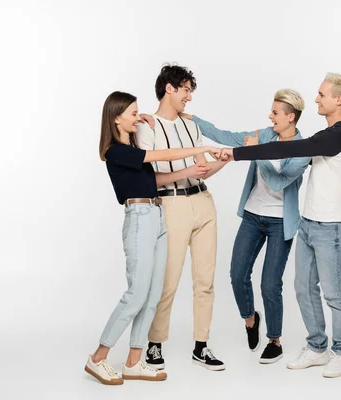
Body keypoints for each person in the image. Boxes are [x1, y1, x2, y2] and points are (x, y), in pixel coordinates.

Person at [218, 73, 341, 378]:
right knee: (303, 288)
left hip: (332, 224)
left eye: (322, 95)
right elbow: (278, 147)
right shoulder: (325, 133)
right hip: (309, 221)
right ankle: (317, 347)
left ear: (339, 100)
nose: (317, 99)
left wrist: (237, 154)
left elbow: (283, 150)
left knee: (334, 293)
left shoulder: (339, 134)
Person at [85, 91, 220, 385]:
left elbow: (152, 173)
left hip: (158, 216)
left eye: (138, 113)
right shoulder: (115, 152)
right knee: (135, 294)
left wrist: (140, 119)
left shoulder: (130, 144)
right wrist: (200, 148)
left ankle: (134, 361)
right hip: (139, 221)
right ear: (116, 118)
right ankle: (98, 358)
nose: (139, 117)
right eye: (132, 114)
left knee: (153, 295)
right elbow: (160, 155)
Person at [180, 88, 311, 364]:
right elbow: (227, 137)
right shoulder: (265, 135)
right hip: (253, 215)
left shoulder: (303, 149)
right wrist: (190, 117)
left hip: (279, 222)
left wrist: (254, 152)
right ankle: (251, 320)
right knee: (237, 274)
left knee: (269, 284)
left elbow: (278, 181)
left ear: (291, 117)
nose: (270, 116)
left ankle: (274, 340)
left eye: (275, 112)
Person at [137, 64, 228, 372]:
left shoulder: (191, 126)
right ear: (169, 89)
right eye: (186, 89)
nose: (190, 96)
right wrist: (187, 171)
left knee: (206, 280)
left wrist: (222, 162)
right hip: (170, 205)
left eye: (191, 90)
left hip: (203, 201)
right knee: (168, 279)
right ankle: (154, 343)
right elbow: (146, 178)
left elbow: (202, 168)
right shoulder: (147, 126)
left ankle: (201, 346)